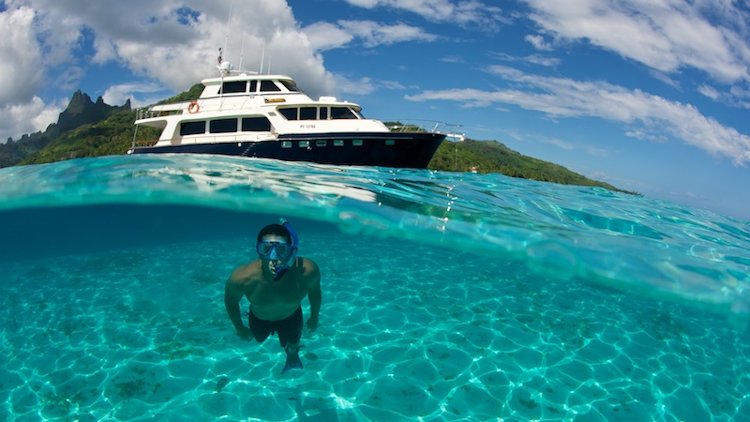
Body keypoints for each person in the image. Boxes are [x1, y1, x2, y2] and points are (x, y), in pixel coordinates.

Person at [224, 221, 321, 374]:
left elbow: (315, 293)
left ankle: (292, 358)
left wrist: (314, 317)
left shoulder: (307, 272)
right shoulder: (242, 278)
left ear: (292, 251)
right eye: (266, 249)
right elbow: (230, 301)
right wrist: (240, 327)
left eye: (282, 250)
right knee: (259, 338)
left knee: (293, 344)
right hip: (259, 318)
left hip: (292, 316)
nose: (273, 258)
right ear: (258, 251)